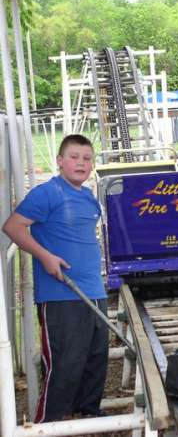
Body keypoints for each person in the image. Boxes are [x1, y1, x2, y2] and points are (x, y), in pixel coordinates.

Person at [2, 134, 108, 422]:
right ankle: (49, 422)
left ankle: (86, 415)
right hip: (61, 295)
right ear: (60, 161)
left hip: (95, 291)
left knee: (95, 359)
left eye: (87, 158)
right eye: (74, 157)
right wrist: (45, 256)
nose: (81, 163)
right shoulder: (48, 193)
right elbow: (13, 227)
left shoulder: (87, 197)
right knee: (65, 364)